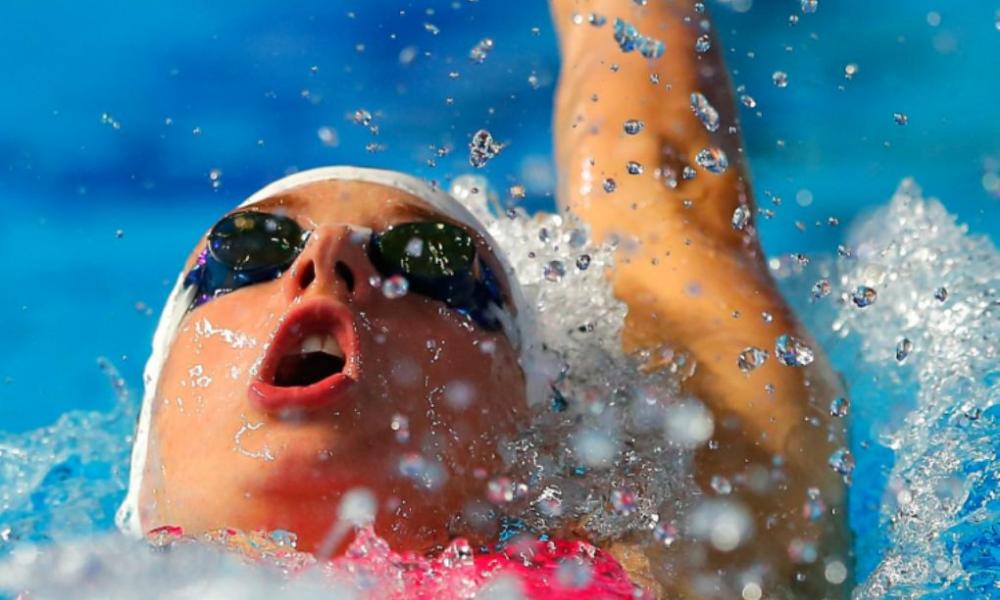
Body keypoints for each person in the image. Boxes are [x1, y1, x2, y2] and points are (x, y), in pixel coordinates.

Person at [119, 1, 849, 597]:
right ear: (147, 446)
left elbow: (665, 202)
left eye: (428, 261)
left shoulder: (697, 562)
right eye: (250, 249)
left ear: (526, 433)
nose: (328, 255)